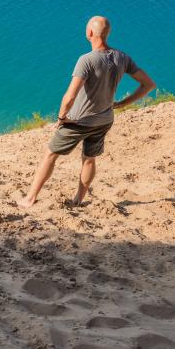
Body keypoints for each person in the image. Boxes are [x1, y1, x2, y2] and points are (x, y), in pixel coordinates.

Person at [18, 16, 155, 208]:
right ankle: (78, 200)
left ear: (89, 33)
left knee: (50, 155)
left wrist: (61, 118)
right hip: (105, 119)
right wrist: (123, 103)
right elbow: (148, 84)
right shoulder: (122, 57)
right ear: (107, 34)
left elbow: (70, 97)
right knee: (89, 159)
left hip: (79, 121)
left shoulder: (87, 60)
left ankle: (29, 198)